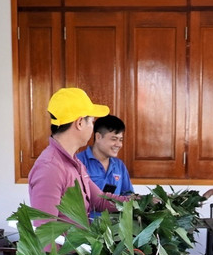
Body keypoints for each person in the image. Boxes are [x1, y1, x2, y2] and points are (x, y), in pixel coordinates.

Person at [28, 88, 126, 223]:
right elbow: (45, 234)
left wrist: (143, 201)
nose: (92, 127)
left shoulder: (75, 163)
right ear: (80, 123)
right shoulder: (50, 168)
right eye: (91, 122)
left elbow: (99, 200)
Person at [76, 114, 134, 206]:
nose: (118, 144)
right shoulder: (78, 162)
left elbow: (128, 195)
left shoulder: (119, 165)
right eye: (114, 139)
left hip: (114, 220)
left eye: (121, 140)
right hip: (86, 220)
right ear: (98, 137)